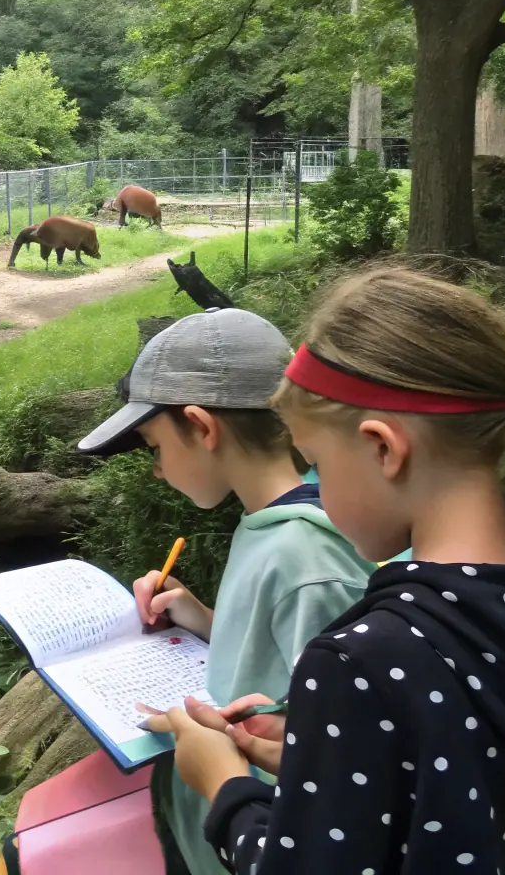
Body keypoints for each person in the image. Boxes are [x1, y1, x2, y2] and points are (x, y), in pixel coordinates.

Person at [154, 268, 505, 875]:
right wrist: (325, 760)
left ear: (383, 448)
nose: (314, 482)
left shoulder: (363, 661)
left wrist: (225, 786)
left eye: (314, 459)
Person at [76, 308, 374, 875]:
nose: (157, 470)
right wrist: (202, 618)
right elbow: (290, 664)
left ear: (203, 427)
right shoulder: (272, 523)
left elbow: (341, 750)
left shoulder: (308, 561)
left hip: (252, 837)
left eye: (152, 446)